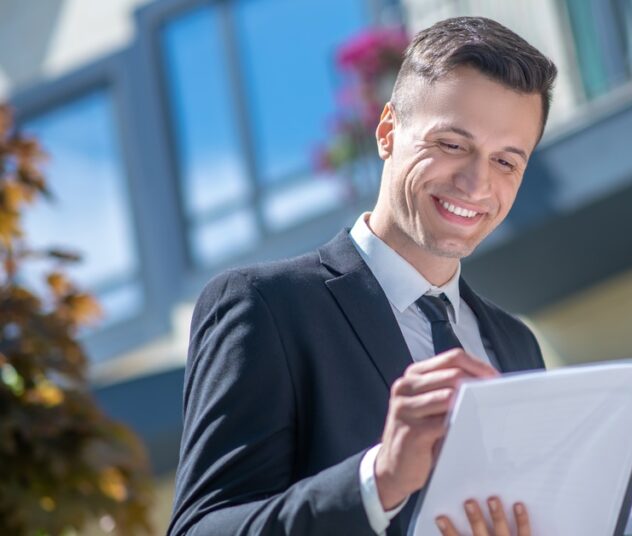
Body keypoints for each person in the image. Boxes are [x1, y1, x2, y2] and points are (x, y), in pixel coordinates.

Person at [168, 17, 556, 536]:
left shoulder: (517, 344)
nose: (475, 183)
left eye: (507, 161)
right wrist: (380, 479)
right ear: (388, 132)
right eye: (451, 144)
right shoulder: (263, 307)